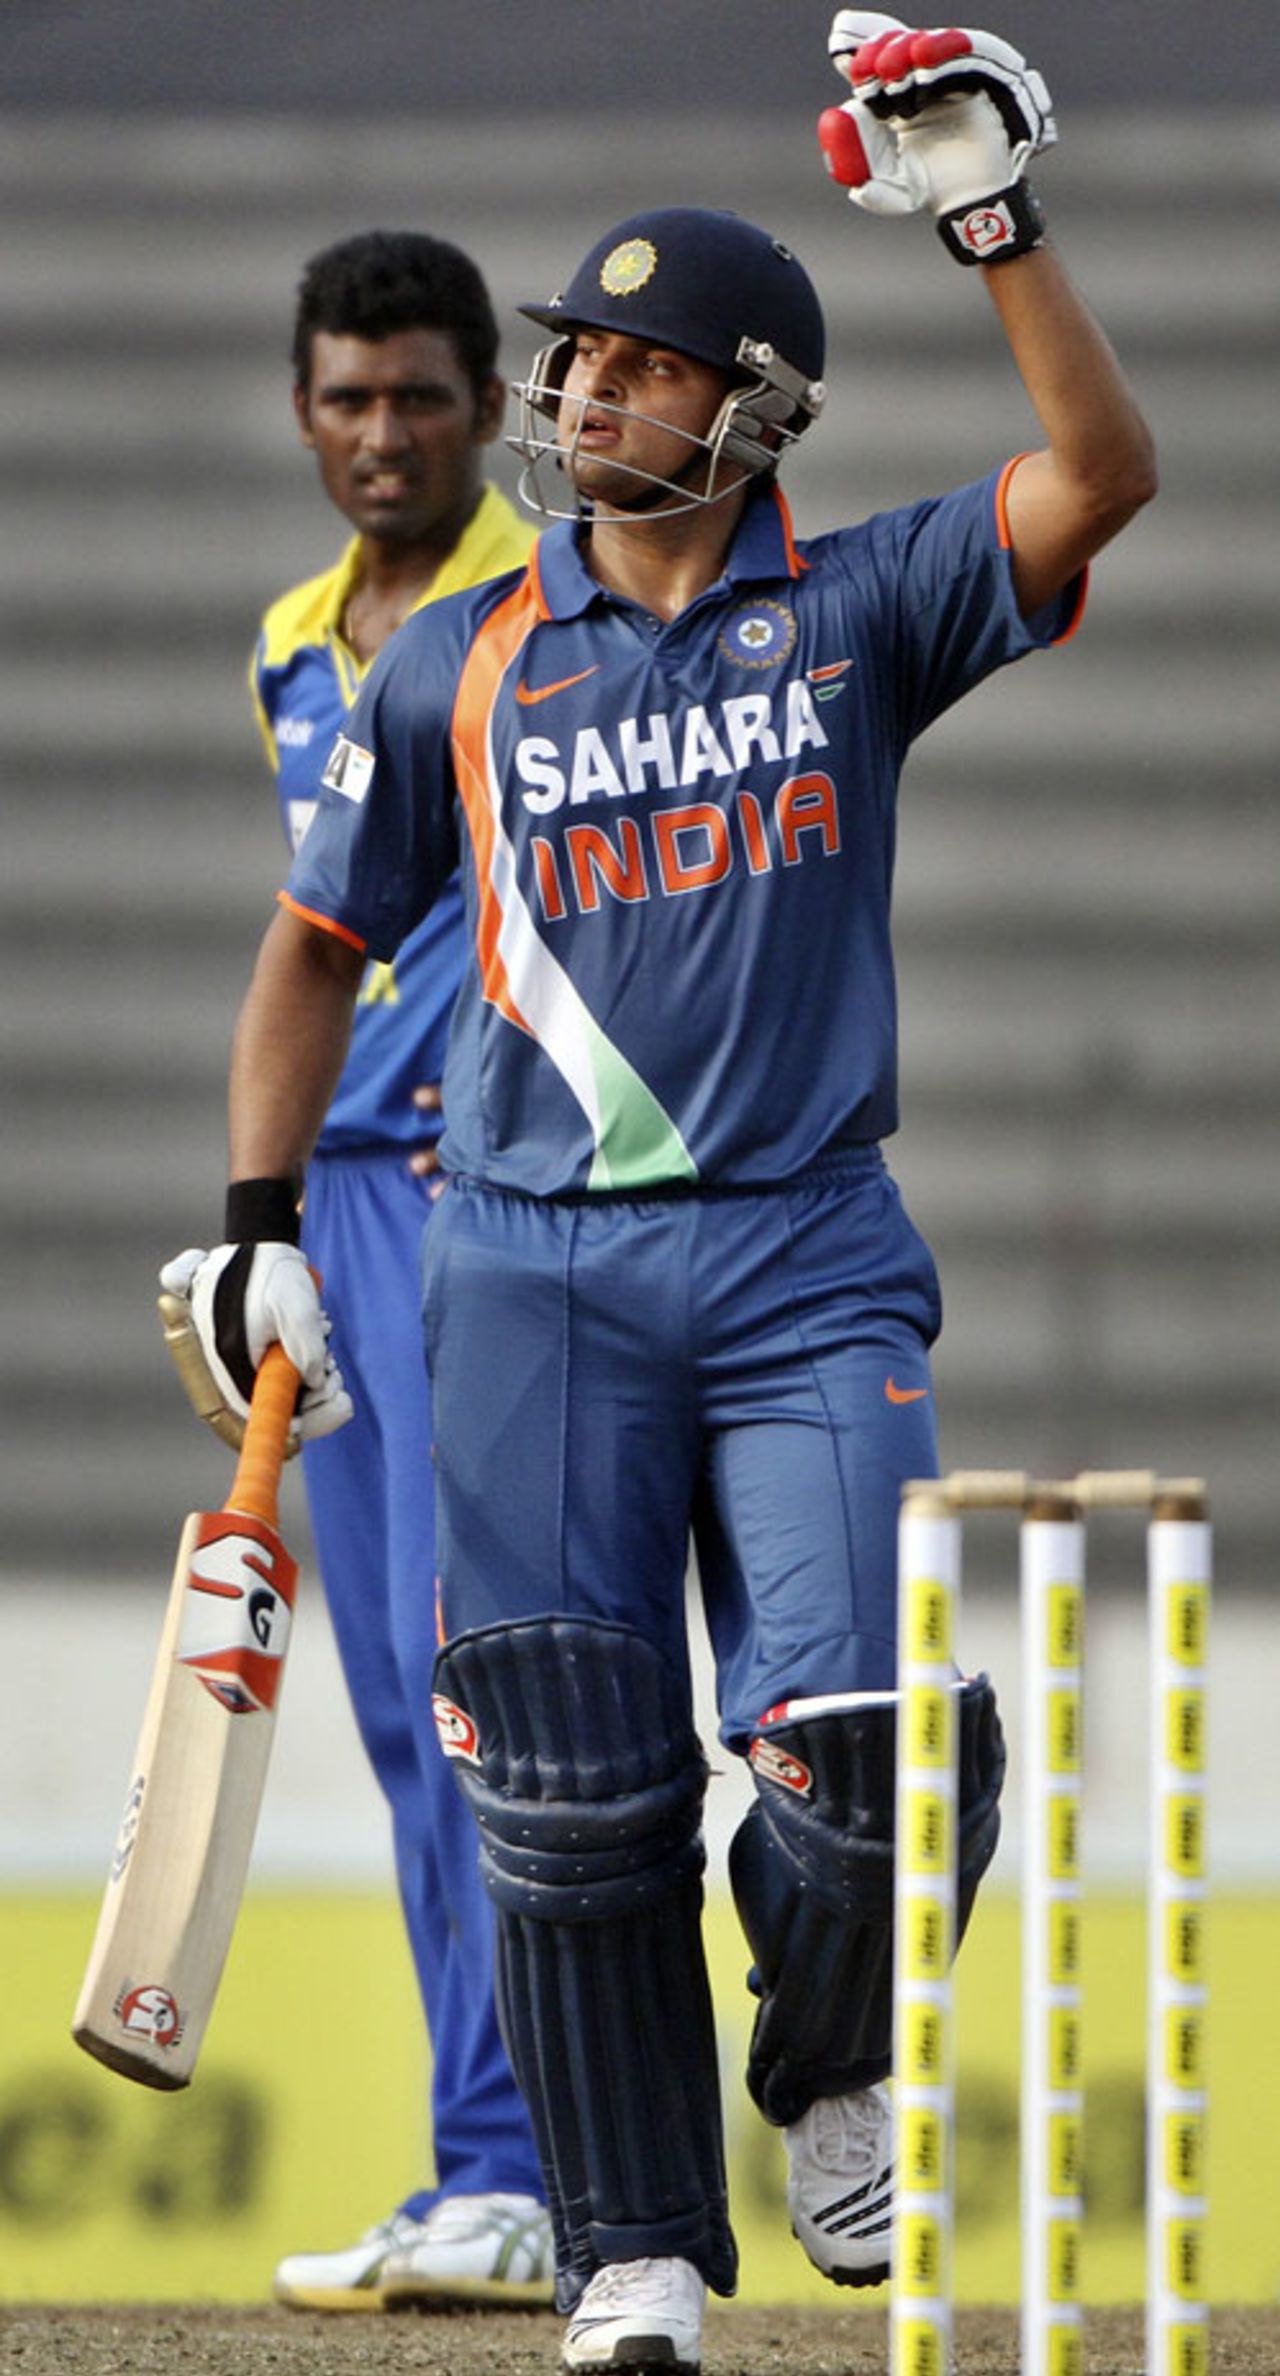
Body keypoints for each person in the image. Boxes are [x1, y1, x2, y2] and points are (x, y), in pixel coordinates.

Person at [163, 19, 1156, 2373]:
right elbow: (313, 952)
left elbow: (1102, 473)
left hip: (804, 1253)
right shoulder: (463, 664)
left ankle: (821, 2058)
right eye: (577, 357)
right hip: (525, 1275)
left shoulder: (862, 608)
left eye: (625, 362)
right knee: (572, 1783)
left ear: (746, 405)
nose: (578, 392)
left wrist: (991, 223)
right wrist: (262, 1219)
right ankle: (627, 2254)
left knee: (865, 1746)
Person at [168, 229, 553, 2313]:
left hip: (506, 1201)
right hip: (352, 1218)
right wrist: (269, 1221)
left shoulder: (547, 606)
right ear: (303, 411)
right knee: (410, 1717)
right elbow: (328, 948)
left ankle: (537, 2168)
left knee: (492, 1698)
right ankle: (485, 2167)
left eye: (418, 395)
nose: (381, 433)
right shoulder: (291, 642)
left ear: (486, 406)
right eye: (345, 399)